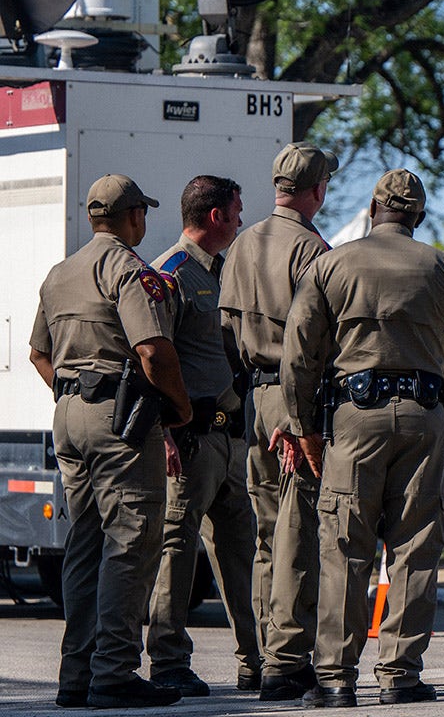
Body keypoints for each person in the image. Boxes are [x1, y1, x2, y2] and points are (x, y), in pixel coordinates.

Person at [279, 169, 444, 707]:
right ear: (418, 216)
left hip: (354, 418)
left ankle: (335, 679)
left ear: (374, 209)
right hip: (423, 417)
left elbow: (298, 354)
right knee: (415, 545)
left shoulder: (330, 264)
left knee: (345, 545)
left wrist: (303, 425)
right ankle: (400, 676)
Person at [29, 174, 193, 709]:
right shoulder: (126, 269)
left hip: (69, 414)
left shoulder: (60, 273)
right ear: (133, 218)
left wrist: (73, 390)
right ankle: (114, 671)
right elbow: (152, 349)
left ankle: (75, 674)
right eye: (142, 212)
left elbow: (38, 353)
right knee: (133, 539)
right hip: (118, 420)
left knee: (86, 541)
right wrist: (180, 407)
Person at [218, 141, 337, 701]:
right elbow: (314, 341)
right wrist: (301, 418)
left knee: (268, 534)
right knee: (298, 533)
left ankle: (264, 655)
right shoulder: (310, 249)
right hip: (296, 402)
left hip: (254, 398)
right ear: (317, 189)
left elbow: (223, 330)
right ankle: (287, 661)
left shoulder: (242, 243)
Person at [145, 175, 262, 696]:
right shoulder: (169, 274)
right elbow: (149, 353)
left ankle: (256, 659)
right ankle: (169, 660)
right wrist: (163, 431)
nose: (240, 220)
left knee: (242, 552)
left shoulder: (222, 272)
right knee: (176, 549)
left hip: (230, 437)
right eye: (236, 211)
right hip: (189, 440)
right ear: (215, 215)